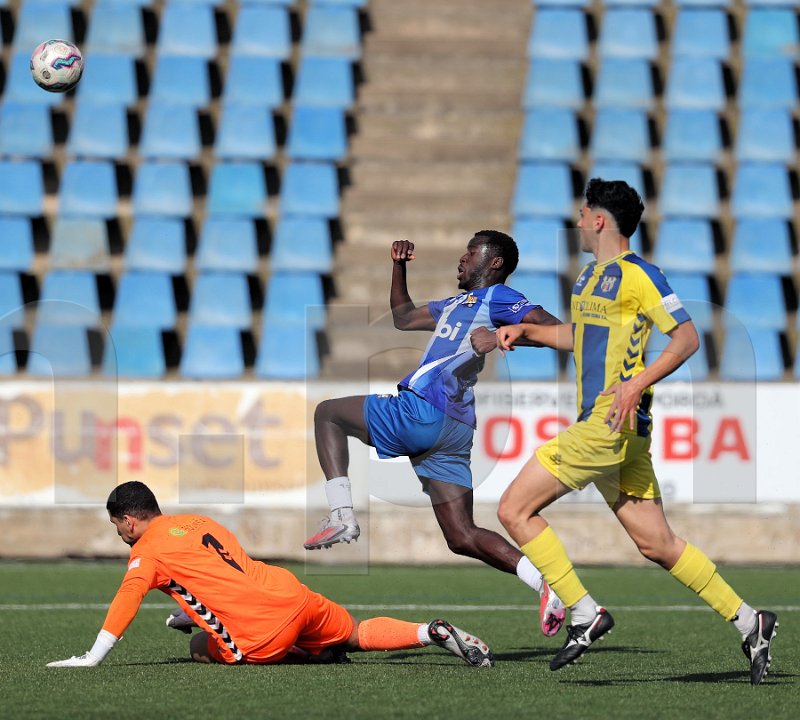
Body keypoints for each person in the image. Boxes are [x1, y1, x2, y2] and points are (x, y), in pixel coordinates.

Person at [480, 178, 777, 684]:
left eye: (582, 213)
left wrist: (636, 382)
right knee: (658, 544)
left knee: (513, 509)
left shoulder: (641, 275)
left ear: (599, 220)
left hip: (607, 425)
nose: (577, 221)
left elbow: (687, 338)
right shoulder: (588, 278)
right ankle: (751, 622)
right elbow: (582, 337)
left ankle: (583, 611)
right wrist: (527, 331)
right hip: (622, 436)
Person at [304, 231, 567, 637]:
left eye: (471, 252)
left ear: (494, 263)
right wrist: (398, 267)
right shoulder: (457, 304)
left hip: (424, 409)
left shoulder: (499, 298)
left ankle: (341, 514)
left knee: (328, 414)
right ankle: (546, 584)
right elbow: (404, 317)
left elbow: (557, 330)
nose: (462, 258)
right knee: (461, 536)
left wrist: (505, 335)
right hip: (454, 428)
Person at [47, 481, 495, 668]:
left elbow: (127, 598)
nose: (120, 534)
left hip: (265, 630)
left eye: (117, 527)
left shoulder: (145, 551)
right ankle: (426, 631)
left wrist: (93, 657)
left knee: (200, 646)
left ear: (128, 521)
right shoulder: (198, 522)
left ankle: (311, 654)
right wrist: (189, 612)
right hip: (291, 593)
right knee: (356, 632)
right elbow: (223, 578)